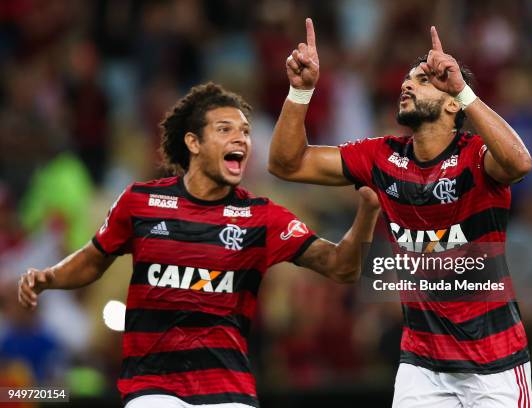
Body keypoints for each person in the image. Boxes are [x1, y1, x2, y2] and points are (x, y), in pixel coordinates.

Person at [17, 82, 381, 408]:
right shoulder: (139, 201)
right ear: (193, 142)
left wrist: (366, 213)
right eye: (225, 129)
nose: (241, 139)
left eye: (245, 132)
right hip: (152, 388)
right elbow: (93, 260)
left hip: (228, 391)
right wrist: (49, 278)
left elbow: (342, 268)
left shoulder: (263, 217)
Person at [268, 18, 532, 408]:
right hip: (421, 366)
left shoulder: (474, 156)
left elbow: (520, 164)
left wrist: (463, 89)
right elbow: (287, 164)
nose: (407, 84)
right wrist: (300, 92)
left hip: (494, 363)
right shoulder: (381, 156)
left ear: (451, 103)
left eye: (423, 80)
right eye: (407, 78)